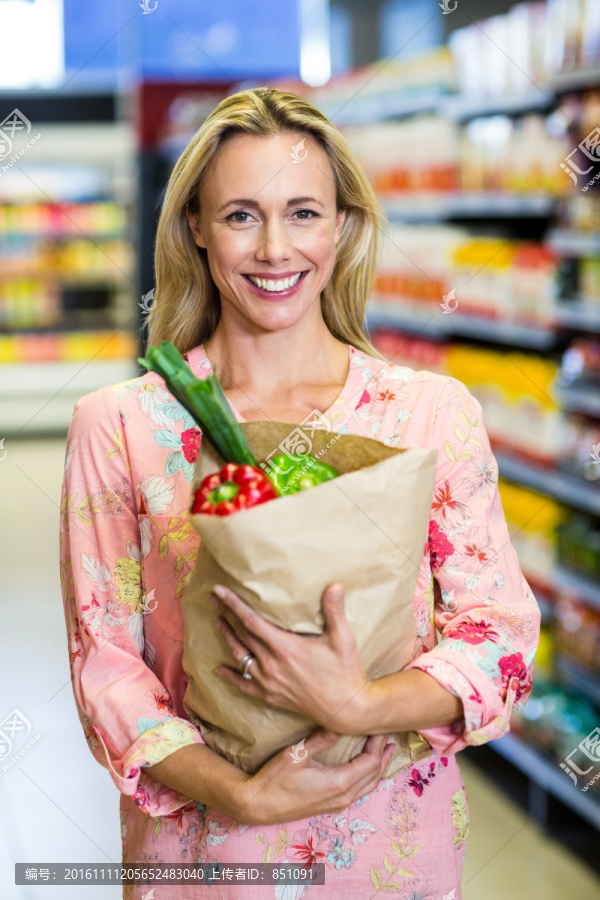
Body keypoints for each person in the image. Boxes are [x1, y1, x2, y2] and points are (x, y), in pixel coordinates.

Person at [59, 87, 540, 900]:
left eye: (304, 213)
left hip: (387, 852)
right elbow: (106, 668)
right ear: (196, 231)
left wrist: (360, 702)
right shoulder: (122, 426)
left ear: (343, 226)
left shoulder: (428, 414)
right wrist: (240, 794)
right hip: (202, 858)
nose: (275, 248)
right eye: (242, 215)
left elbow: (499, 638)